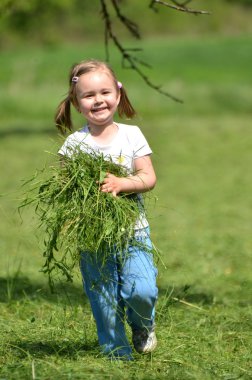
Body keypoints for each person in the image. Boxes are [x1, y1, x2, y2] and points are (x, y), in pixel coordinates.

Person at [55, 59, 158, 360]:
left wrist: (121, 183)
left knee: (143, 290)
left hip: (133, 231)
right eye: (88, 95)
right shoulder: (74, 144)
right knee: (103, 298)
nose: (98, 100)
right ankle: (117, 355)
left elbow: (148, 177)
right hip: (93, 235)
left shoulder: (132, 135)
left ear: (118, 93)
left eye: (104, 92)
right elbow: (65, 187)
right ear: (76, 103)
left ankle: (143, 324)